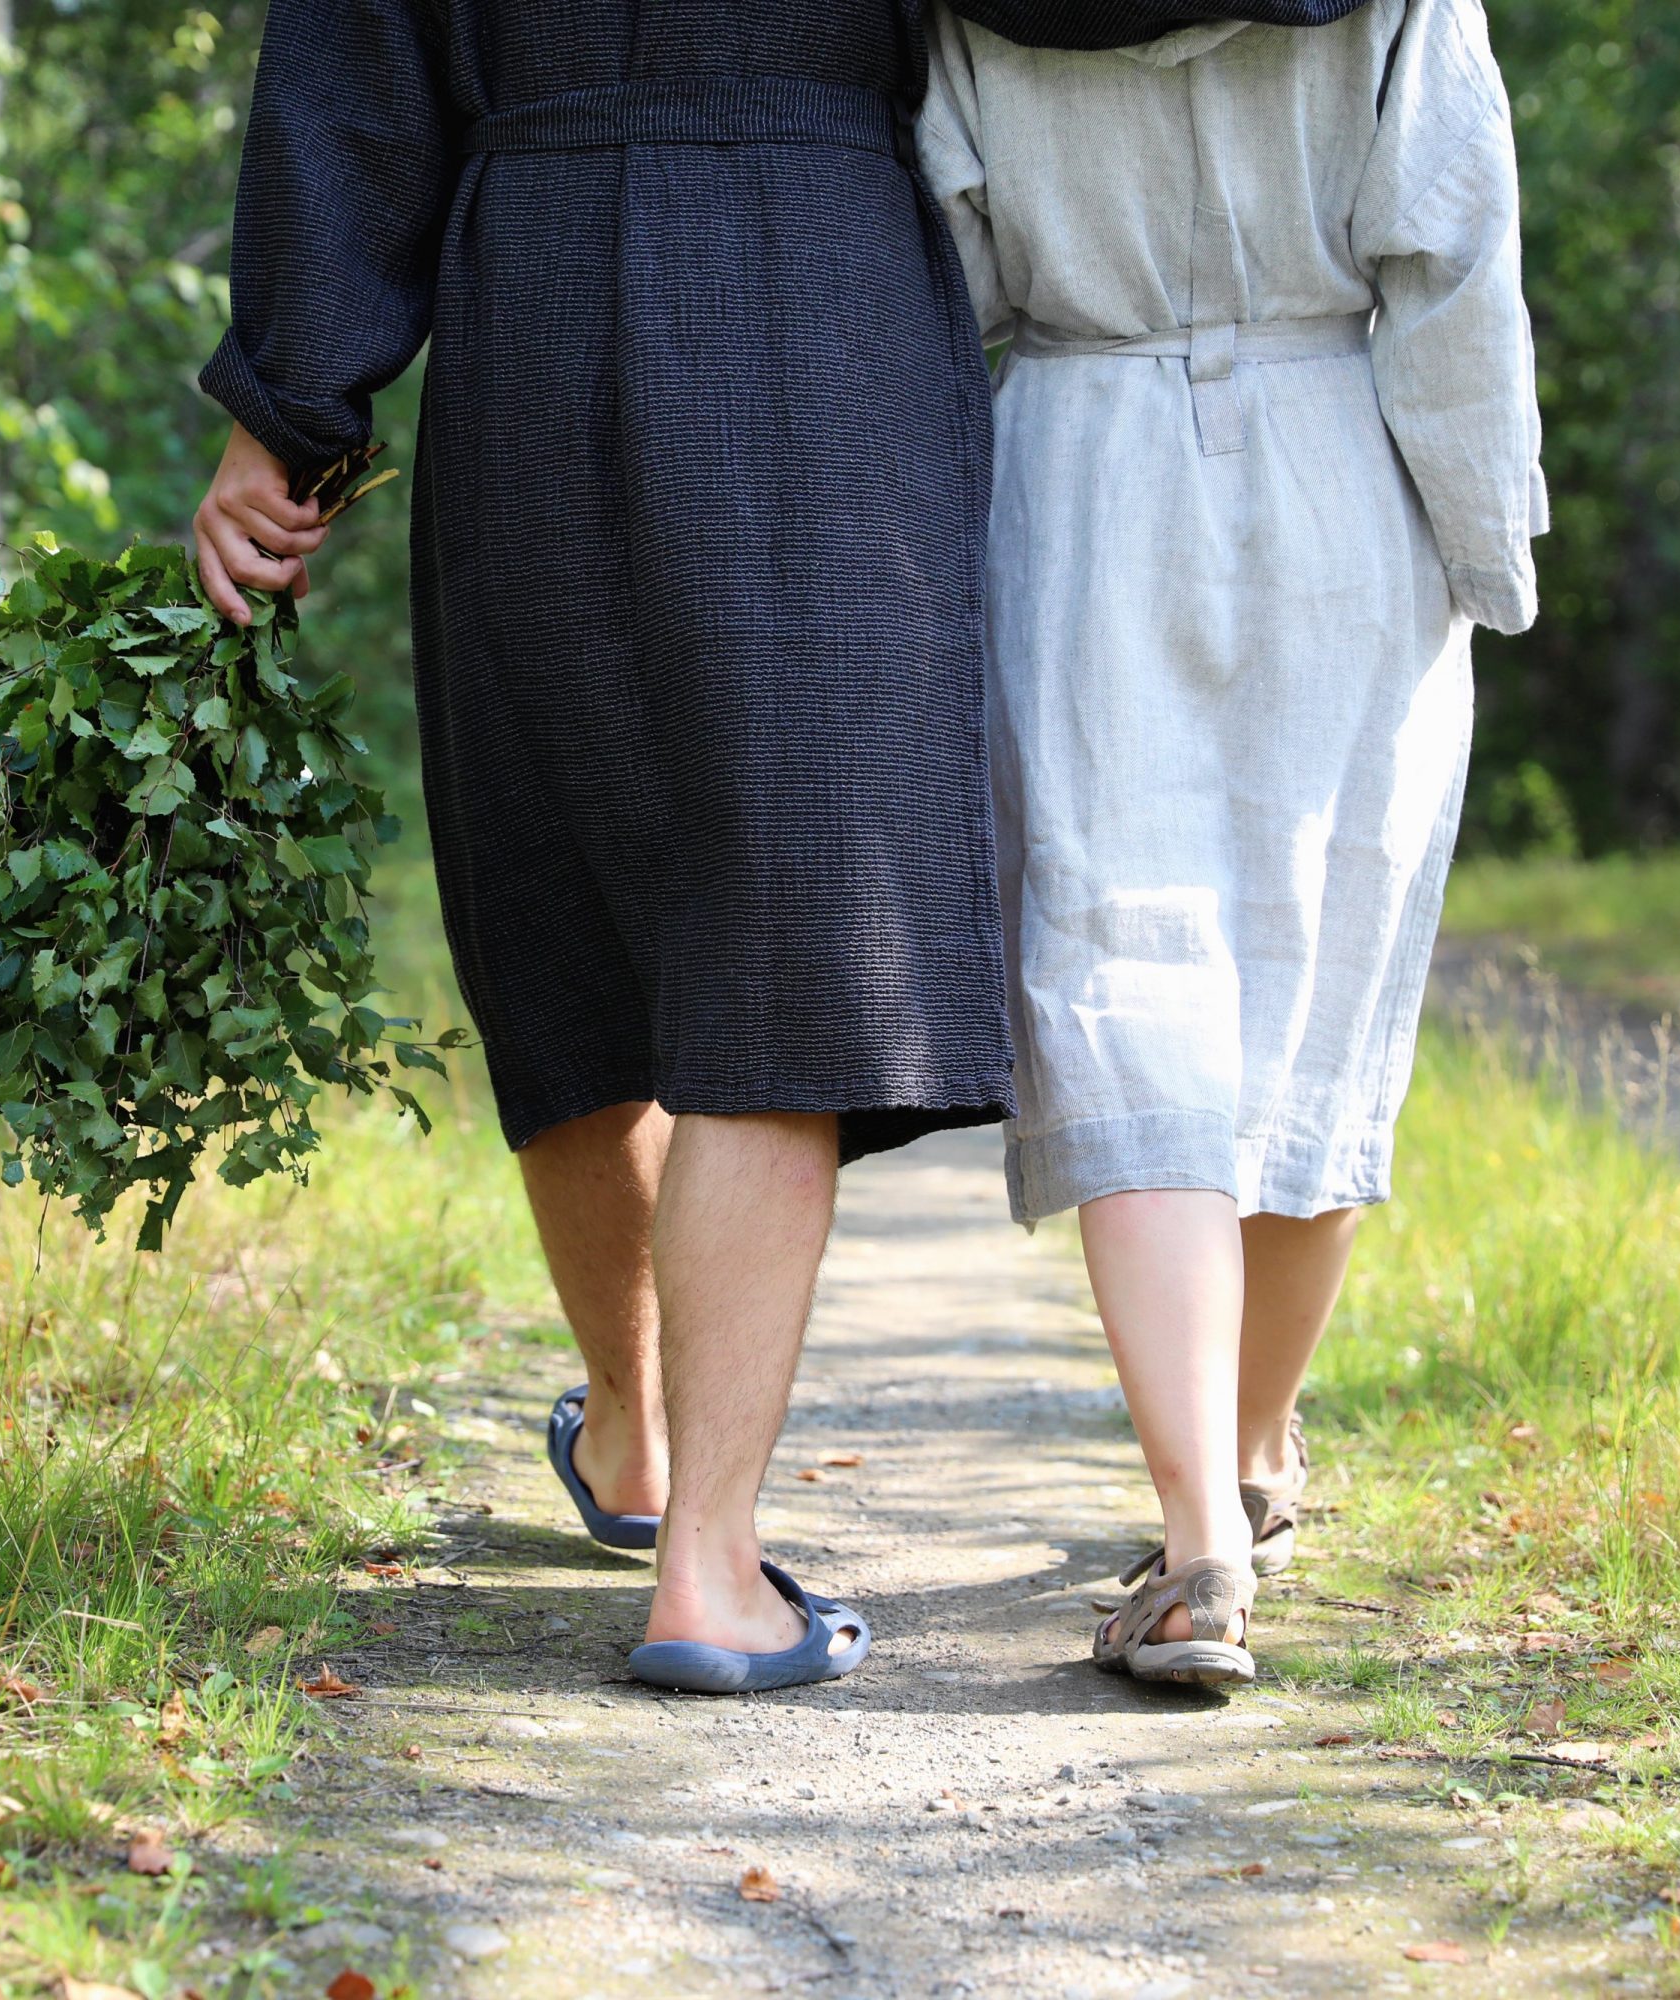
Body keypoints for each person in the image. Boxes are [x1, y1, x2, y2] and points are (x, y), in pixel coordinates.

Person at [191, 0, 1373, 1695]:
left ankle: (635, 1437)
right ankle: (704, 1567)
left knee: (566, 899)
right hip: (820, 300)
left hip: (527, 288)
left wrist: (285, 413)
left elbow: (352, 67)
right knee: (782, 926)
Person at [918, 0, 1546, 1684]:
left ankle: (1205, 1517)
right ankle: (1255, 1461)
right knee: (1316, 978)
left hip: (1082, 468)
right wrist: (1490, 548)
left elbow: (943, 269)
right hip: (1348, 460)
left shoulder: (979, 5)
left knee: (1119, 974)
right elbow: (1451, 248)